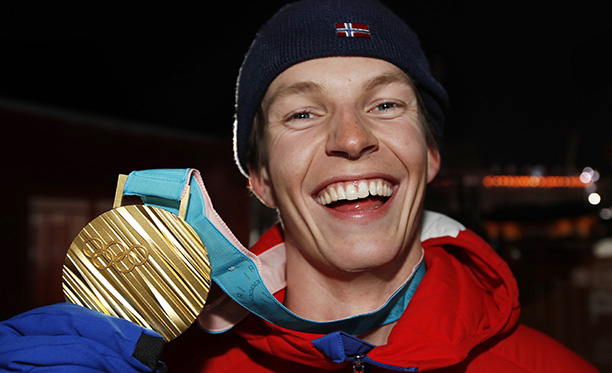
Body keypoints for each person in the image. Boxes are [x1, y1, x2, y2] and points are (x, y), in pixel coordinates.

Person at [0, 0, 599, 372]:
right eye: (303, 114)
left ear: (431, 155)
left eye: (386, 103)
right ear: (258, 178)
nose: (351, 137)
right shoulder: (178, 367)